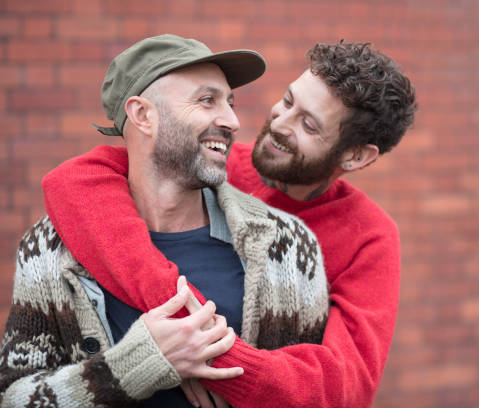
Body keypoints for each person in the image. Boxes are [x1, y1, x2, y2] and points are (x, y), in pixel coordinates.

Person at [40, 40, 417, 407]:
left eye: (309, 125)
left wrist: (213, 363)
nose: (280, 123)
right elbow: (71, 181)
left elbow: (344, 386)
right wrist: (184, 341)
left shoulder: (370, 237)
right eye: (287, 101)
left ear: (355, 156)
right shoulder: (212, 166)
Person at [0, 34, 329, 408]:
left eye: (230, 103)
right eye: (208, 100)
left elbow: (317, 395)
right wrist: (139, 364)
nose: (232, 120)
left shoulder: (285, 245)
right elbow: (14, 398)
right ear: (142, 115)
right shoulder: (50, 248)